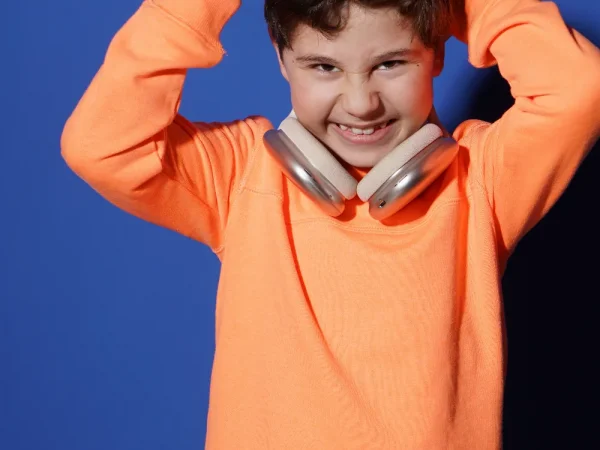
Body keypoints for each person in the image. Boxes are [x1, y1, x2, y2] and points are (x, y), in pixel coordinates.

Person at [60, 0, 600, 448]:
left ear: (437, 53)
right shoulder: (239, 176)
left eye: (391, 63)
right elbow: (102, 145)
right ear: (281, 58)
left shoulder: (481, 181)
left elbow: (581, 87)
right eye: (324, 67)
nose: (361, 104)